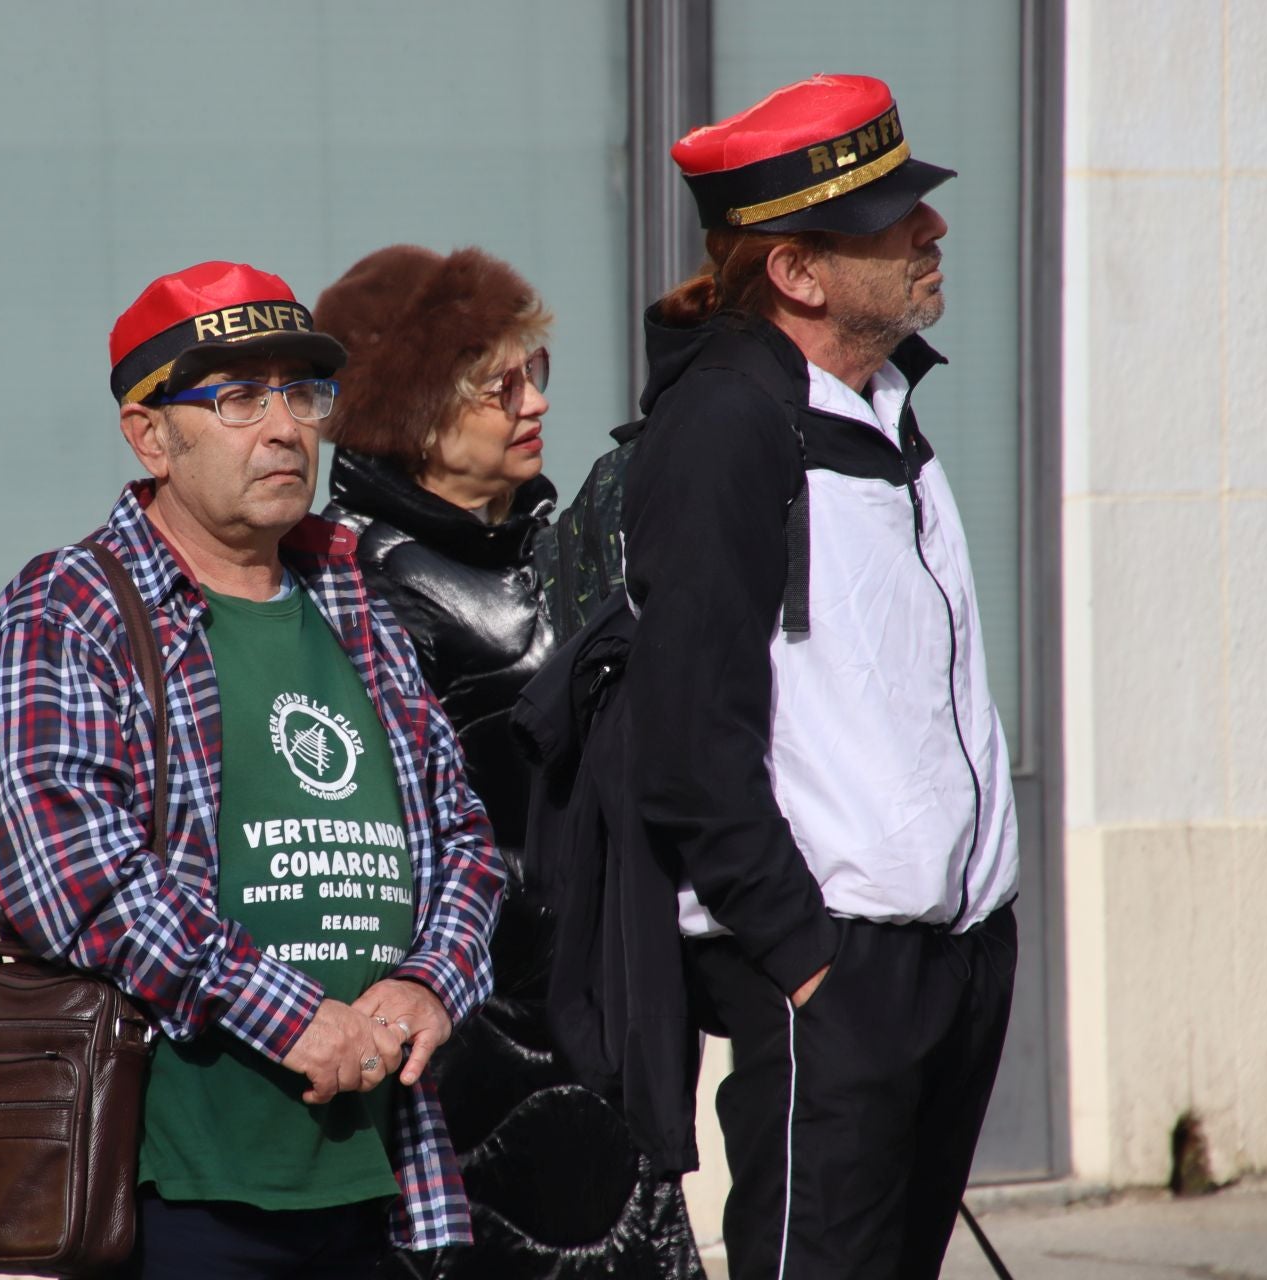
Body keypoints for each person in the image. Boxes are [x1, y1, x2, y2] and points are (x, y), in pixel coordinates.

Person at [0, 260, 505, 1278]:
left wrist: (431, 981)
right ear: (150, 433)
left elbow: (466, 839)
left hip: (382, 1175)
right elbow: (73, 874)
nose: (286, 427)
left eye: (302, 393)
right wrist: (288, 1013)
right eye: (240, 397)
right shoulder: (67, 609)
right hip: (175, 1185)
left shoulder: (355, 598)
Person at [621, 74, 1021, 1279]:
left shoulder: (885, 401)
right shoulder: (726, 427)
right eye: (892, 217)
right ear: (798, 272)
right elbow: (689, 740)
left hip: (948, 958)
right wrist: (805, 960)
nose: (931, 229)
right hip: (833, 971)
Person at [313, 245, 701, 1279]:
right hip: (462, 1030)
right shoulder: (349, 578)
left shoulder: (545, 537)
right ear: (409, 408)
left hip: (590, 1008)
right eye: (500, 383)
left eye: (539, 373)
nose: (532, 401)